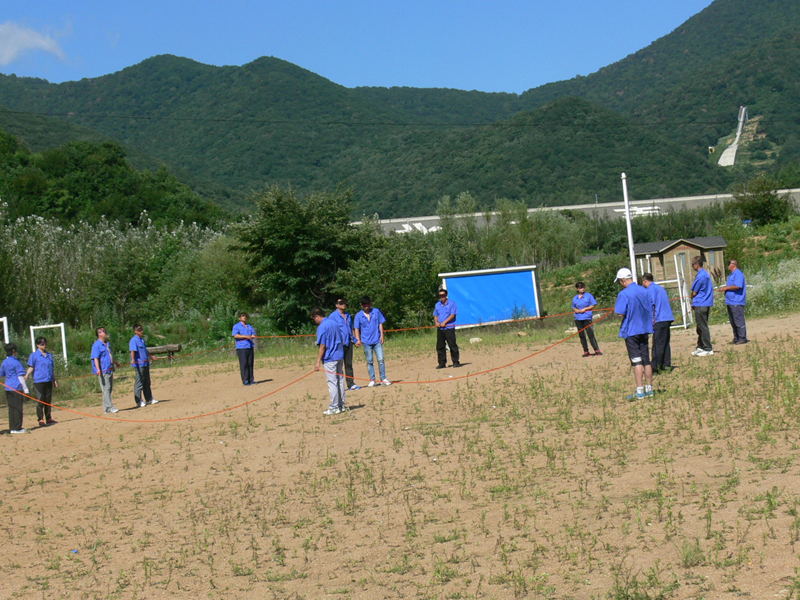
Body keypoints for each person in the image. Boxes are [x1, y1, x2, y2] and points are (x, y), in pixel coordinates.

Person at [614, 268, 654, 400]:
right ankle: (649, 389)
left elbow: (620, 312)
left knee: (637, 361)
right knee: (646, 360)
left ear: (623, 280)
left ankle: (640, 391)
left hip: (631, 330)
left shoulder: (624, 293)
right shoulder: (644, 290)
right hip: (644, 329)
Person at [311, 308, 347, 415]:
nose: (315, 321)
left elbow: (322, 345)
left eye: (314, 319)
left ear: (317, 316)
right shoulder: (334, 323)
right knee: (340, 381)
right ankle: (341, 405)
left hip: (330, 358)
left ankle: (334, 407)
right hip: (339, 356)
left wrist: (318, 361)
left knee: (332, 382)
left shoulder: (322, 326)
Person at [354, 296, 391, 386]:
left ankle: (383, 378)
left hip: (377, 340)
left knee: (381, 359)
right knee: (370, 361)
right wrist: (358, 339)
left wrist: (382, 335)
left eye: (368, 304)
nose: (367, 306)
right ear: (362, 305)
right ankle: (372, 380)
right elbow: (356, 328)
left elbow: (380, 323)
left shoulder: (376, 311)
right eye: (365, 305)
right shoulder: (358, 315)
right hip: (366, 342)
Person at [642, 273, 674, 373]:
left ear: (645, 281)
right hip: (667, 317)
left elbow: (651, 304)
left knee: (657, 343)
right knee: (665, 342)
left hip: (659, 318)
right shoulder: (661, 288)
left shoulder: (650, 289)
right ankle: (666, 365)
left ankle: (655, 367)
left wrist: (651, 319)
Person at [25, 336, 59, 426]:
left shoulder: (49, 355)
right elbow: (31, 367)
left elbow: (52, 369)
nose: (44, 345)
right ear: (37, 345)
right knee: (40, 400)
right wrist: (27, 374)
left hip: (48, 380)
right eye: (42, 343)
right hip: (39, 381)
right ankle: (40, 419)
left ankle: (49, 418)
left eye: (45, 343)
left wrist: (55, 380)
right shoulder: (34, 355)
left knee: (48, 400)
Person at [718, 259, 748, 345]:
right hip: (730, 301)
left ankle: (742, 337)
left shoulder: (738, 274)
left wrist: (726, 288)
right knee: (733, 321)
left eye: (729, 264)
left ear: (734, 265)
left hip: (737, 301)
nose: (727, 265)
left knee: (738, 320)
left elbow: (738, 286)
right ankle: (736, 337)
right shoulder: (732, 275)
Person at [1, 343, 29, 433]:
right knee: (18, 408)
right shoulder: (17, 362)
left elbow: (2, 374)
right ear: (14, 351)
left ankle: (12, 427)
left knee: (12, 408)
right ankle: (17, 427)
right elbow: (20, 376)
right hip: (16, 387)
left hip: (8, 387)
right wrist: (25, 388)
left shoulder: (4, 362)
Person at [91, 327, 120, 414]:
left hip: (110, 369)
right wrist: (98, 369)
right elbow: (95, 358)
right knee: (106, 389)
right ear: (99, 334)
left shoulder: (107, 344)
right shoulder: (96, 345)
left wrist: (116, 363)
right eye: (104, 332)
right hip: (103, 370)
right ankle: (110, 407)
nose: (106, 333)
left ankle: (106, 409)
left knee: (108, 389)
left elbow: (111, 355)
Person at [690, 256, 714, 356]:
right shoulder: (706, 274)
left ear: (697, 264)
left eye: (692, 264)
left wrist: (692, 300)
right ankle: (700, 346)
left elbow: (695, 292)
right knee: (700, 327)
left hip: (701, 303)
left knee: (702, 326)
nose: (692, 266)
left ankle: (708, 348)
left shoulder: (700, 276)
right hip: (705, 303)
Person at [129, 325, 158, 408]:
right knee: (139, 383)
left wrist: (151, 356)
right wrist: (133, 359)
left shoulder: (142, 340)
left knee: (147, 382)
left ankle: (149, 399)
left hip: (145, 363)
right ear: (135, 331)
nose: (141, 331)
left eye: (142, 329)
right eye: (139, 330)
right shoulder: (134, 340)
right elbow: (132, 351)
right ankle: (139, 401)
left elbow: (145, 350)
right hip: (139, 364)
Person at [334, 298, 359, 390]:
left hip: (348, 343)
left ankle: (351, 383)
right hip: (339, 345)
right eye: (341, 303)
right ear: (337, 305)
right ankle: (338, 385)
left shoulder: (348, 315)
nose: (343, 304)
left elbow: (351, 328)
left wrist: (355, 340)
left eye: (344, 302)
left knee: (349, 364)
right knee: (338, 365)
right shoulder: (333, 316)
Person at [572, 281, 602, 357]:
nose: (582, 289)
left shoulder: (589, 296)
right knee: (582, 336)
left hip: (587, 318)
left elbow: (593, 305)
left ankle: (597, 350)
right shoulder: (575, 298)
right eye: (580, 287)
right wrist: (576, 310)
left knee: (590, 334)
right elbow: (573, 307)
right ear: (577, 289)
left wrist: (585, 309)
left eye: (583, 287)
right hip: (578, 318)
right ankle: (586, 351)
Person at [434, 289, 461, 369]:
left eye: (443, 295)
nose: (442, 297)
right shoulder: (437, 305)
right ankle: (442, 363)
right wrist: (437, 322)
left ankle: (455, 362)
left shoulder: (452, 304)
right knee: (440, 346)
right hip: (440, 329)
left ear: (446, 296)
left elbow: (453, 315)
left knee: (452, 345)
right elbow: (436, 315)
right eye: (440, 296)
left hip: (449, 328)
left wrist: (445, 322)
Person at [232, 312, 256, 386]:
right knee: (244, 364)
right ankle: (245, 380)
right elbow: (236, 335)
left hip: (250, 346)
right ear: (239, 318)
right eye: (242, 316)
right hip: (242, 348)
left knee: (250, 363)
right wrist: (245, 336)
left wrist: (253, 335)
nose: (244, 317)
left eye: (245, 316)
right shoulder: (236, 326)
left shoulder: (249, 326)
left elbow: (253, 333)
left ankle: (251, 380)